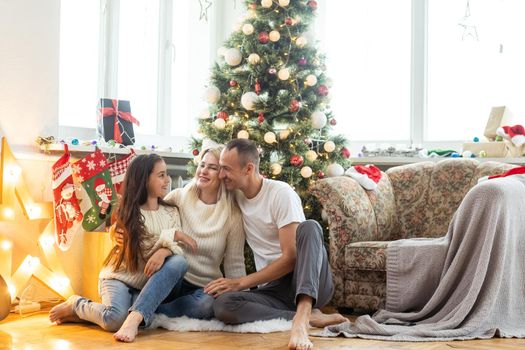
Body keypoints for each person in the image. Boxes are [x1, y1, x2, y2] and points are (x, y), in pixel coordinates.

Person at [205, 138, 347, 350]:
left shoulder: (281, 194)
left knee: (310, 227)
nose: (220, 174)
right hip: (275, 290)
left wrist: (241, 282)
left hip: (309, 278)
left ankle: (303, 316)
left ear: (249, 168)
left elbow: (291, 258)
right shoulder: (235, 194)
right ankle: (308, 318)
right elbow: (198, 188)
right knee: (223, 305)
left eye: (226, 168)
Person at [49, 154, 195, 342]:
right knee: (114, 320)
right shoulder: (126, 210)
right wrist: (172, 236)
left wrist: (164, 250)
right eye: (161, 175)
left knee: (178, 262)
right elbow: (141, 245)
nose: (167, 180)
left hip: (148, 284)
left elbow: (178, 249)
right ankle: (77, 305)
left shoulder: (171, 211)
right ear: (144, 178)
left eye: (166, 174)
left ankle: (131, 314)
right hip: (120, 277)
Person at [113, 146, 246, 321]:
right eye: (202, 165)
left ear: (222, 174)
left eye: (212, 168)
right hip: (171, 278)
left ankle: (148, 309)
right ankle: (144, 309)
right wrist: (116, 229)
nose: (204, 171)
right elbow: (145, 218)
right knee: (177, 262)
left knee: (206, 305)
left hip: (203, 287)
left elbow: (234, 262)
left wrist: (241, 296)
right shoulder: (178, 197)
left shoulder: (232, 214)